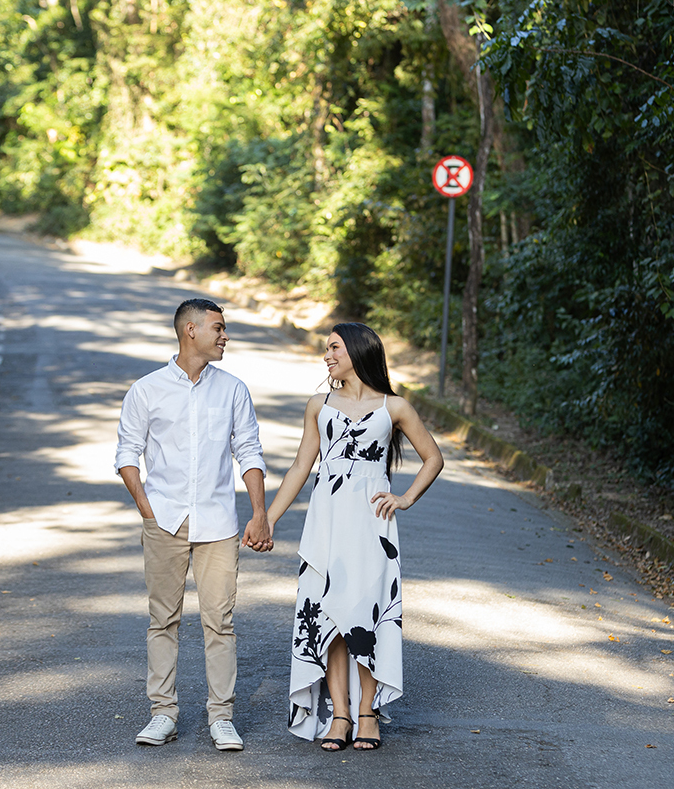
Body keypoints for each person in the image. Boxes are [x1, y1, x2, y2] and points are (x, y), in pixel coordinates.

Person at [263, 322, 443, 751]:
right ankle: (340, 715)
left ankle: (368, 714)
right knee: (329, 615)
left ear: (358, 351)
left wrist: (405, 498)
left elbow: (433, 457)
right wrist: (267, 519)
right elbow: (300, 467)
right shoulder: (319, 405)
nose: (326, 355)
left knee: (365, 613)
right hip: (326, 522)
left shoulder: (394, 407)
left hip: (372, 525)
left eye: (334, 348)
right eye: (327, 349)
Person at [115, 298, 272, 752]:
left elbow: (249, 451)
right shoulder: (146, 390)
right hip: (163, 520)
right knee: (163, 619)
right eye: (218, 328)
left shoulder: (233, 389)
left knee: (220, 622)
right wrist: (146, 507)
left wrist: (259, 513)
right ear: (191, 330)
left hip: (218, 523)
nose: (225, 336)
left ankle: (221, 717)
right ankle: (162, 713)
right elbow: (127, 452)